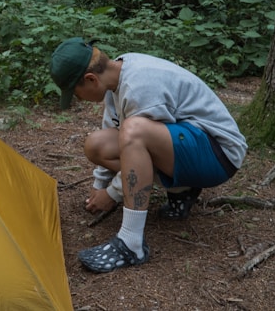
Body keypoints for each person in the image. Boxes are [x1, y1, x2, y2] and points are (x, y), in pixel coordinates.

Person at [49, 37, 247, 273]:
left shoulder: (139, 87)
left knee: (133, 131)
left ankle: (131, 243)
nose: (79, 100)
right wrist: (98, 184)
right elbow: (112, 131)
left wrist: (112, 193)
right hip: (189, 145)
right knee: (97, 144)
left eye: (76, 93)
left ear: (90, 79)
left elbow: (142, 154)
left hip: (219, 155)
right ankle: (181, 191)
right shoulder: (118, 76)